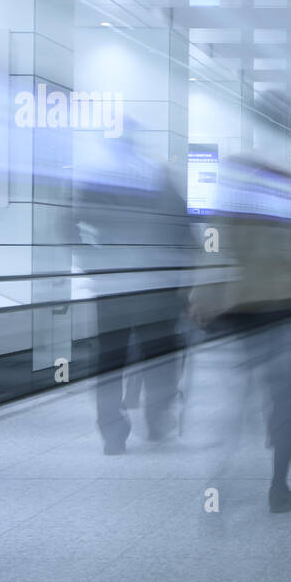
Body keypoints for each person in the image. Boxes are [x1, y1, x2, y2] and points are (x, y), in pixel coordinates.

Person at [188, 155, 291, 513]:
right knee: (283, 401)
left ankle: (220, 479)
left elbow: (213, 246)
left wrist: (201, 293)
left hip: (241, 312)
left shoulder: (235, 190)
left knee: (238, 399)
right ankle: (279, 486)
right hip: (287, 312)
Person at [70, 132, 194, 455]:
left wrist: (90, 261)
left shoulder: (98, 183)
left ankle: (113, 434)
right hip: (156, 292)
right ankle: (155, 418)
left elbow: (68, 224)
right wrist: (184, 278)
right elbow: (186, 233)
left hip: (113, 290)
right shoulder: (160, 182)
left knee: (109, 361)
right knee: (159, 359)